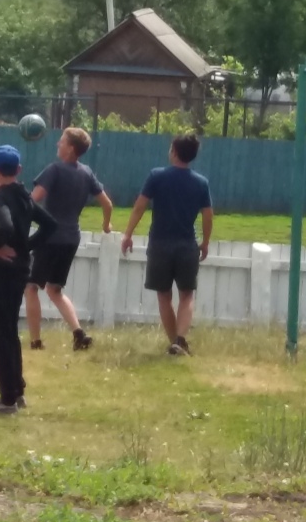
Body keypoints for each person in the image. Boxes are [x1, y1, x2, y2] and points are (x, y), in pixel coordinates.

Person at [0, 144, 56, 414]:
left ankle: (7, 398)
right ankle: (17, 391)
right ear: (19, 169)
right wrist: (25, 247)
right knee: (10, 331)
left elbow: (3, 226)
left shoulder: (0, 198)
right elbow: (50, 225)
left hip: (2, 272)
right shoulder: (24, 196)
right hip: (21, 269)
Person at [121, 133, 212, 356]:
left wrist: (128, 234)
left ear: (174, 152)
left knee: (164, 296)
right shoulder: (201, 182)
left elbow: (139, 207)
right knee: (187, 295)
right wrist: (205, 242)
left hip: (159, 244)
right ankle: (180, 341)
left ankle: (175, 341)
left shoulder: (157, 176)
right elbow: (208, 215)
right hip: (187, 244)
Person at [25, 128, 113, 351]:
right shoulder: (86, 173)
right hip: (71, 237)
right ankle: (79, 334)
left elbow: (33, 200)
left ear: (71, 148)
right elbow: (107, 204)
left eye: (62, 141)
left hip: (50, 237)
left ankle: (35, 341)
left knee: (31, 287)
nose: (58, 144)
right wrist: (106, 225)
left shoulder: (54, 170)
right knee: (55, 290)